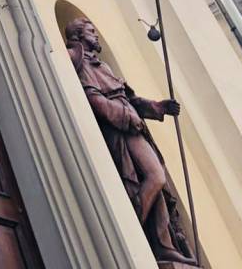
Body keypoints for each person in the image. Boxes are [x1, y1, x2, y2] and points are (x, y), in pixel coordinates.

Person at [65, 17, 194, 264]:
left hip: (133, 125)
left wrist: (157, 107)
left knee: (157, 182)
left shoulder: (104, 66)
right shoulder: (80, 61)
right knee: (155, 176)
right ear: (78, 36)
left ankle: (163, 244)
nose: (96, 34)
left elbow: (129, 98)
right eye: (91, 30)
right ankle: (135, 230)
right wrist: (126, 116)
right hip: (120, 128)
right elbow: (94, 100)